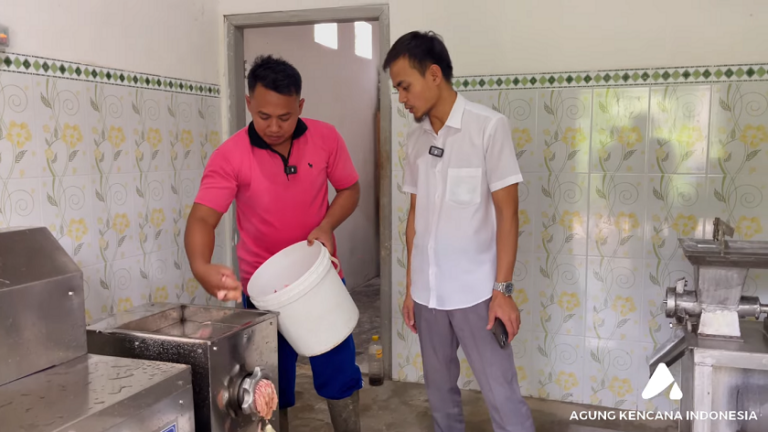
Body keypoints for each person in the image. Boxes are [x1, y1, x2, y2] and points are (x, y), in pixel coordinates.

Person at [185, 55, 363, 432]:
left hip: (319, 281)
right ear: (249, 103)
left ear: (300, 106)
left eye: (285, 117)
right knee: (268, 383)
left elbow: (349, 188)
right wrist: (201, 266)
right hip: (264, 294)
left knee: (339, 373)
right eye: (264, 116)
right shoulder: (230, 156)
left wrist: (328, 224)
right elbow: (203, 217)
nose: (274, 126)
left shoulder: (326, 138)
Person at [383, 31, 535, 432]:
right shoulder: (415, 141)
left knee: (502, 396)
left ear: (434, 75)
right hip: (429, 298)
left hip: (478, 296)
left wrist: (502, 293)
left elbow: (508, 214)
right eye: (398, 89)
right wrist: (411, 288)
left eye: (405, 86)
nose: (402, 99)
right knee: (440, 398)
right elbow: (415, 217)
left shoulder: (488, 128)